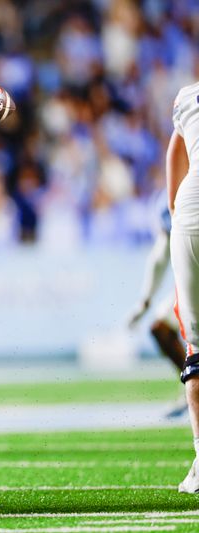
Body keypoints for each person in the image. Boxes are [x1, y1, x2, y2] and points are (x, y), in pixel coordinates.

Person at [127, 190, 187, 418]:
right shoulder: (169, 199)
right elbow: (161, 254)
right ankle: (193, 384)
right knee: (161, 328)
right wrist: (145, 301)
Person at [166, 80, 199, 493]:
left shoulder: (188, 94)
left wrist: (176, 210)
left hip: (191, 215)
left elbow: (175, 150)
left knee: (197, 349)